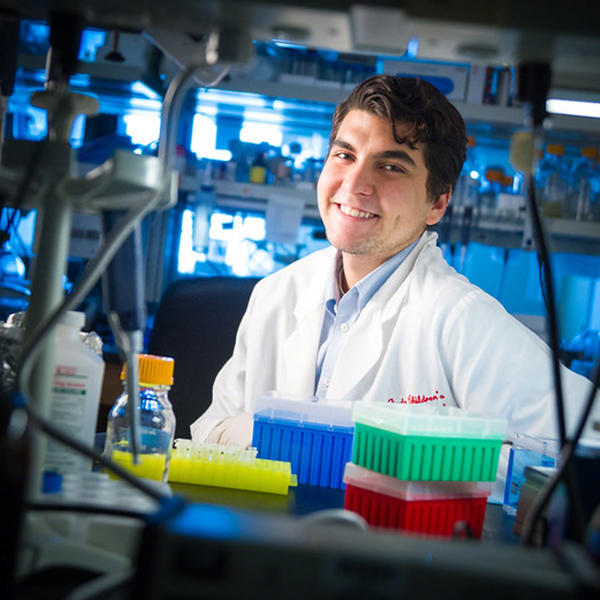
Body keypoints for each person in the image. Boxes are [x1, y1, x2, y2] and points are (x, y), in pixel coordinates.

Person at [190, 75, 599, 479]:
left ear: (437, 203)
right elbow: (208, 435)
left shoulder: (459, 318)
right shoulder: (276, 295)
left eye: (390, 166)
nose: (354, 185)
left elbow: (589, 438)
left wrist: (418, 455)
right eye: (345, 155)